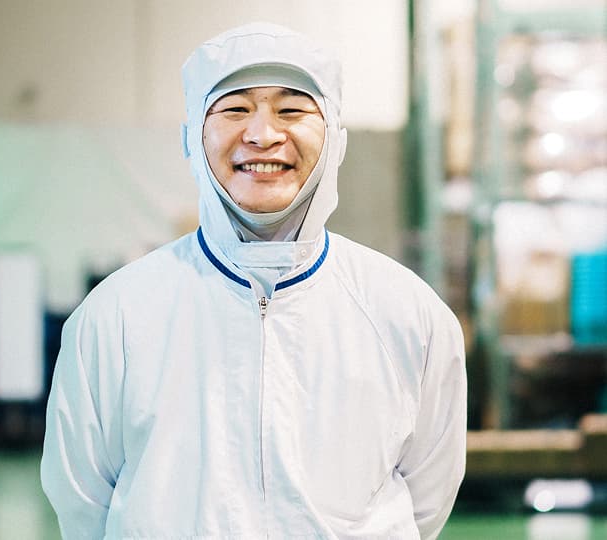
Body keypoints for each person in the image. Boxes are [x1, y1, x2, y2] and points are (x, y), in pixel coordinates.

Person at [41, 22, 466, 540]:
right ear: (192, 138)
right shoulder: (116, 316)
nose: (263, 135)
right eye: (235, 109)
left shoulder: (408, 314)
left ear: (336, 138)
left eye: (292, 110)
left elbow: (429, 493)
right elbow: (83, 501)